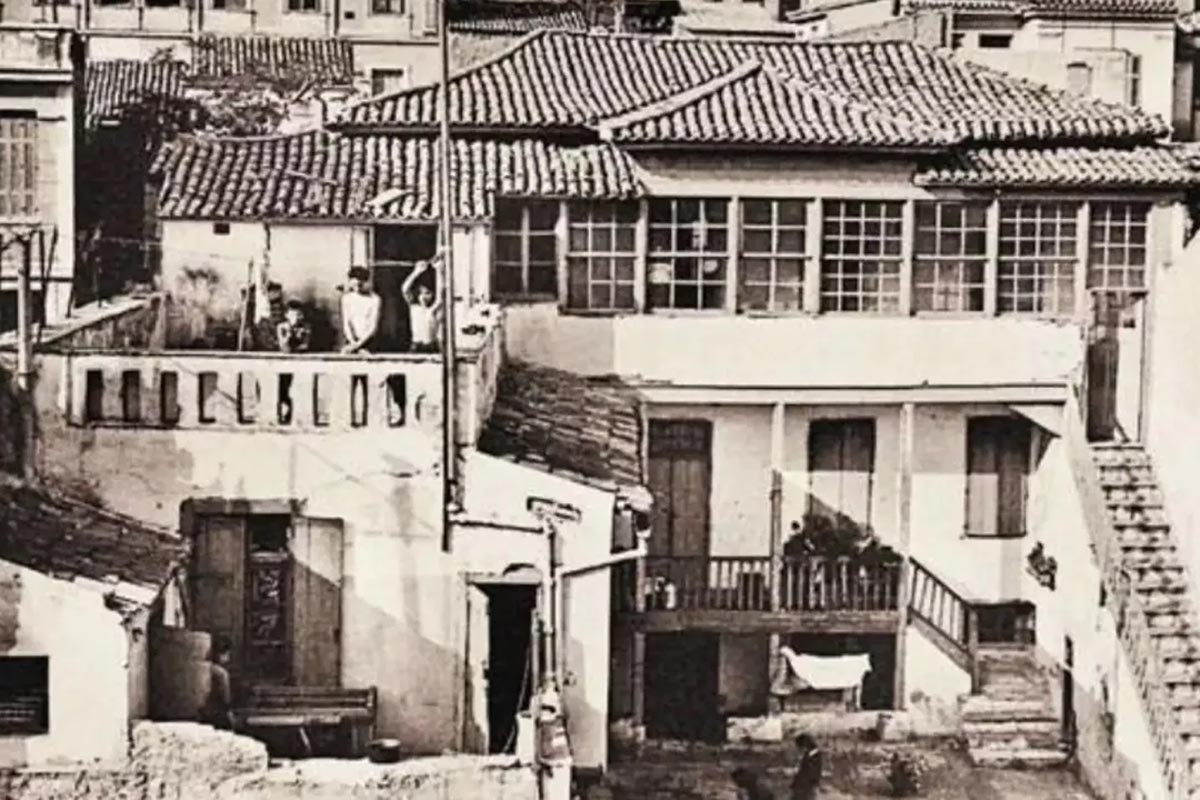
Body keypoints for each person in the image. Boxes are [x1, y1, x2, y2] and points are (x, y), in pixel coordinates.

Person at [401, 259, 441, 353]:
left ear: (432, 294)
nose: (424, 296)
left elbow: (441, 295)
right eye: (421, 293)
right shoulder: (414, 308)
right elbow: (405, 289)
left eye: (427, 293)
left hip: (431, 347)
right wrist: (416, 272)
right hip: (416, 346)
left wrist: (439, 272)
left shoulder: (433, 310)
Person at [340, 267, 381, 354]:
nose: (357, 288)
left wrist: (358, 345)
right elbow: (346, 324)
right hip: (351, 341)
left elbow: (372, 327)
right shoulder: (346, 298)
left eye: (360, 285)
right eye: (354, 285)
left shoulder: (374, 299)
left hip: (369, 342)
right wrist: (352, 343)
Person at [200, 636, 235, 731]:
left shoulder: (202, 669)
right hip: (217, 713)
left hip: (203, 712)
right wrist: (229, 713)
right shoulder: (221, 673)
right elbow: (224, 697)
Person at [791, 733, 823, 800]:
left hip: (806, 788)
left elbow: (811, 773)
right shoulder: (809, 754)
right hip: (805, 787)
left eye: (800, 747)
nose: (799, 749)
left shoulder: (814, 756)